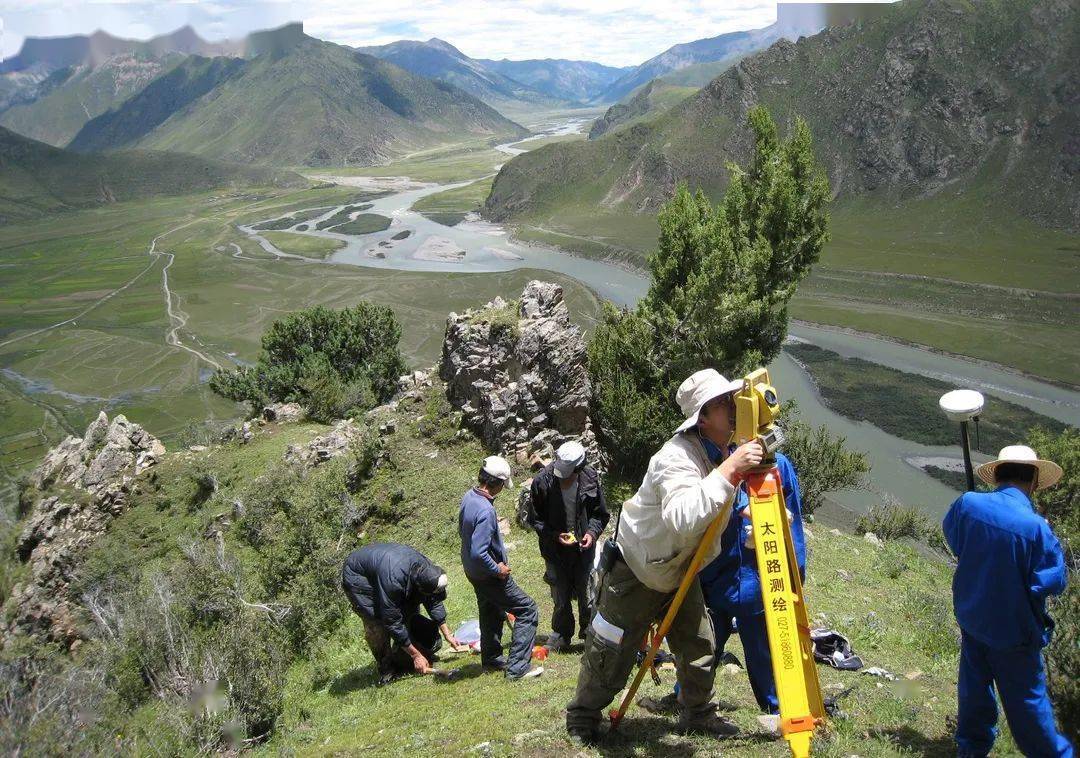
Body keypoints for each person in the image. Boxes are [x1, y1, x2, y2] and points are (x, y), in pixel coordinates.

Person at [566, 368, 766, 743]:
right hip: (638, 569)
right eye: (723, 402)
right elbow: (684, 516)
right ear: (703, 417)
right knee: (611, 650)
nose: (734, 406)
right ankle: (583, 715)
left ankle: (698, 714)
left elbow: (715, 502)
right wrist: (732, 469)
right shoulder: (674, 458)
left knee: (699, 645)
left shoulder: (723, 450)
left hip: (680, 568)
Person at [943, 445, 1073, 758]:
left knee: (974, 689)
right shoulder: (1036, 528)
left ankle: (971, 748)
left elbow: (954, 539)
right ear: (1033, 482)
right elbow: (1052, 582)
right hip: (1013, 632)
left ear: (997, 476)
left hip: (973, 616)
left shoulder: (968, 504)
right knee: (1028, 706)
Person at [699, 427, 806, 715]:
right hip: (718, 572)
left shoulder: (778, 466)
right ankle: (689, 695)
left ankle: (776, 707)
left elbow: (792, 528)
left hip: (759, 579)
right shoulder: (722, 463)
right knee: (706, 642)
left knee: (761, 648)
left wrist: (796, 573)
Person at [459, 455, 543, 681]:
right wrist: (497, 569)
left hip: (473, 572)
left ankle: (492, 659)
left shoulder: (469, 497)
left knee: (490, 611)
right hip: (489, 575)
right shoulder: (486, 511)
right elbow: (479, 551)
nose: (502, 490)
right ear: (495, 483)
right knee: (527, 610)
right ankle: (517, 668)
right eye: (502, 486)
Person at [525, 440, 610, 652]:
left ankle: (589, 633)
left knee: (588, 592)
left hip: (584, 550)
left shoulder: (590, 478)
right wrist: (555, 536)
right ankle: (562, 634)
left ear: (579, 468)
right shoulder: (542, 482)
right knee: (560, 596)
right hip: (555, 551)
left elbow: (600, 513)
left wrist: (591, 533)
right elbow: (535, 519)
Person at [341, 542, 465, 684]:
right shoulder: (394, 582)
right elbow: (392, 621)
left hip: (387, 566)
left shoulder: (428, 571)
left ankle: (404, 655)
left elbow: (433, 600)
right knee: (378, 623)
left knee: (409, 612)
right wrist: (415, 655)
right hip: (359, 577)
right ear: (419, 586)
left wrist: (448, 634)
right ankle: (387, 668)